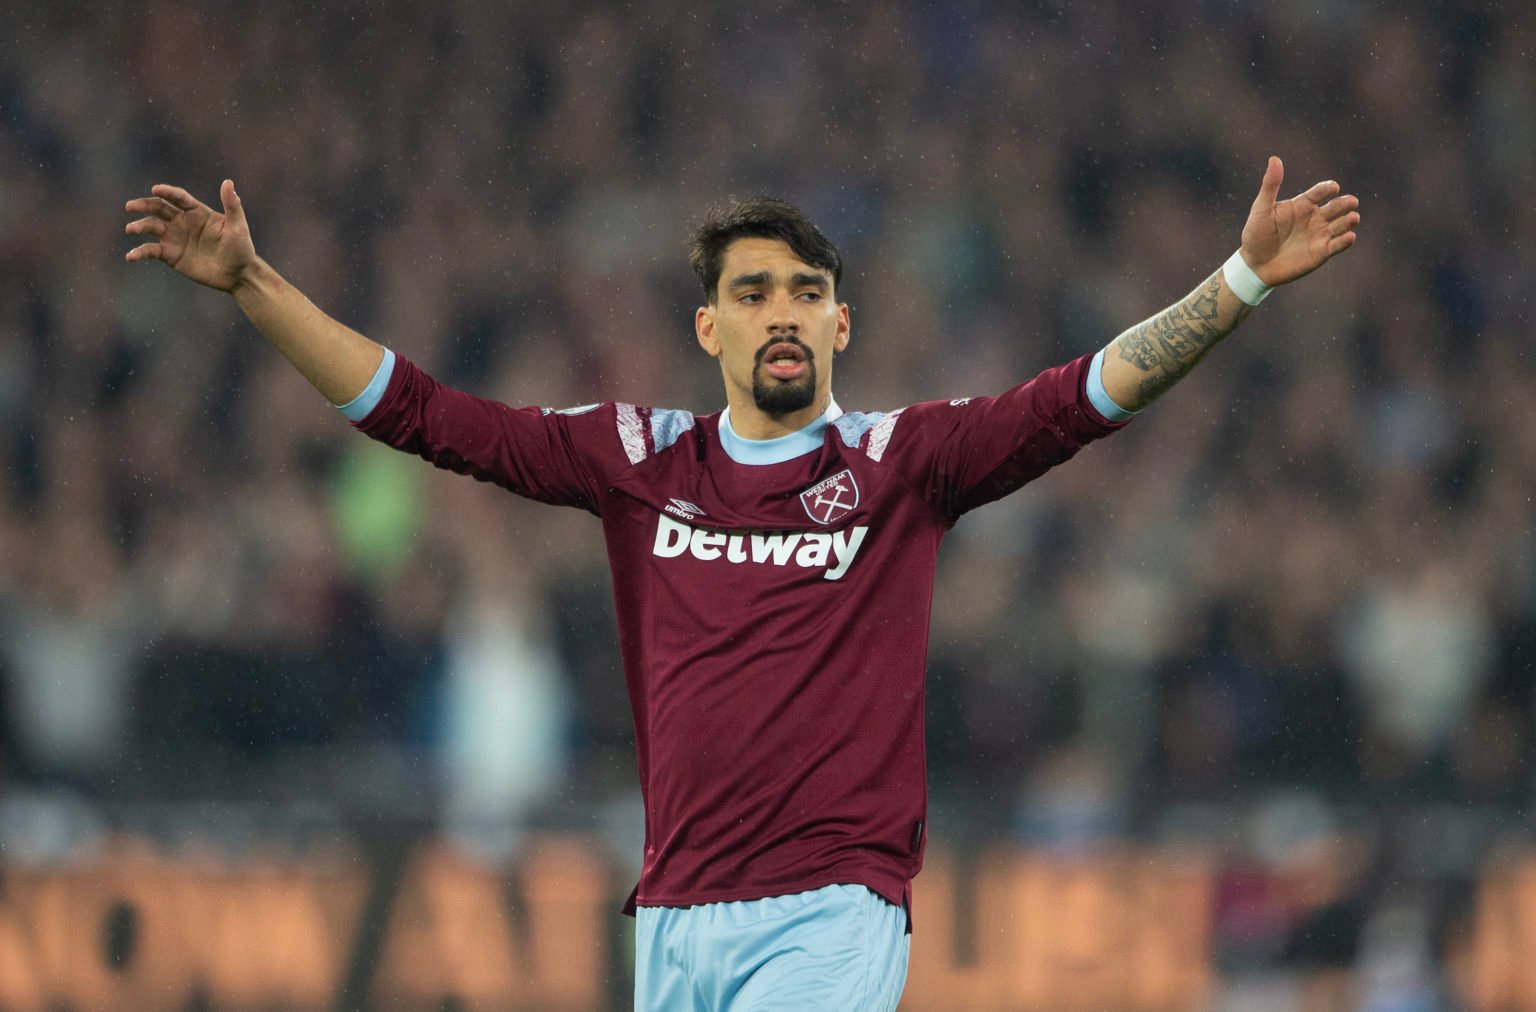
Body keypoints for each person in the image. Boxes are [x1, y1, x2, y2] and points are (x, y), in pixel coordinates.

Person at [125, 158, 1359, 1010]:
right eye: (754, 292)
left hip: (831, 907)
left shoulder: (901, 464)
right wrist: (252, 285)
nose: (783, 312)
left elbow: (1090, 393)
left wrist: (1239, 280)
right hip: (673, 911)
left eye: (808, 295)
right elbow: (422, 415)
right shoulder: (634, 457)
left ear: (840, 330)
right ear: (709, 327)